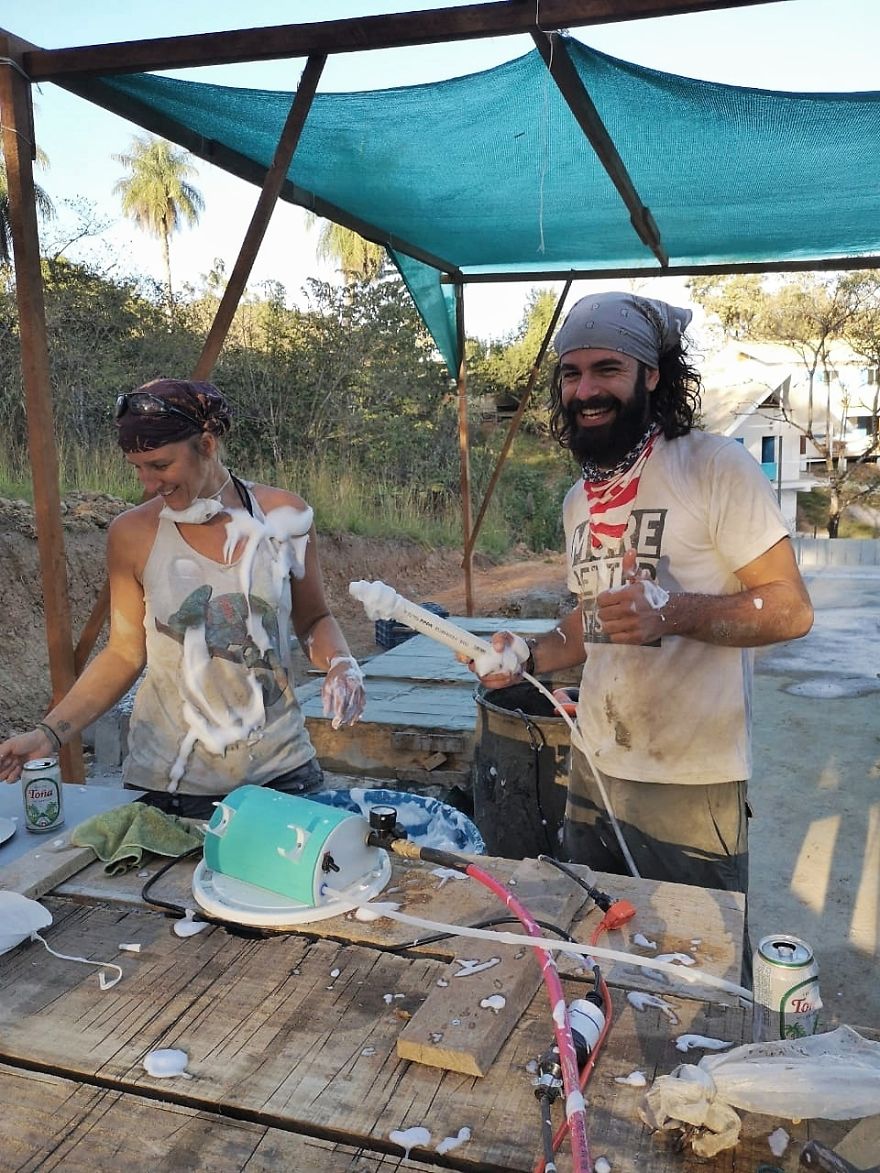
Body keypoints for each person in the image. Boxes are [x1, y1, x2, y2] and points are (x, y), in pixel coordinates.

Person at [471, 292, 813, 906]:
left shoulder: (714, 467)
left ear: (651, 375)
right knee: (596, 936)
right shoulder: (580, 500)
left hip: (689, 779)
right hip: (593, 765)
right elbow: (595, 621)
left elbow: (791, 609)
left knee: (694, 952)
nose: (585, 390)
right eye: (571, 373)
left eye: (607, 369)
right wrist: (525, 654)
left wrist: (672, 613)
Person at [0, 378, 365, 819]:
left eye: (160, 465)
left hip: (281, 775)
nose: (148, 482)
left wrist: (341, 662)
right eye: (137, 467)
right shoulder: (132, 534)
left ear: (207, 445)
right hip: (169, 786)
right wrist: (49, 734)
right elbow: (123, 654)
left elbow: (314, 619)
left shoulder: (283, 517)